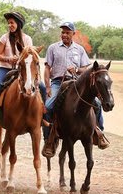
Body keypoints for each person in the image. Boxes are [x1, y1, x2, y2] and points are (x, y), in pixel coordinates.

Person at [42, 21, 109, 157]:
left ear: (73, 34)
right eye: (63, 32)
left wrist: (77, 69)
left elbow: (87, 68)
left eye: (67, 32)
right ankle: (49, 140)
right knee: (48, 107)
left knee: (96, 103)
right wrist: (48, 86)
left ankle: (99, 132)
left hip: (76, 83)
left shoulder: (79, 49)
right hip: (57, 82)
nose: (64, 35)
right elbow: (47, 68)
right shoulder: (53, 48)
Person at [0, 10, 46, 128]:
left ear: (18, 24)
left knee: (42, 87)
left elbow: (30, 56)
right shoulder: (4, 38)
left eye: (12, 23)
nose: (10, 25)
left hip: (22, 70)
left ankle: (43, 116)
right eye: (8, 23)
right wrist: (8, 59)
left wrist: (20, 60)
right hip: (5, 68)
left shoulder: (27, 39)